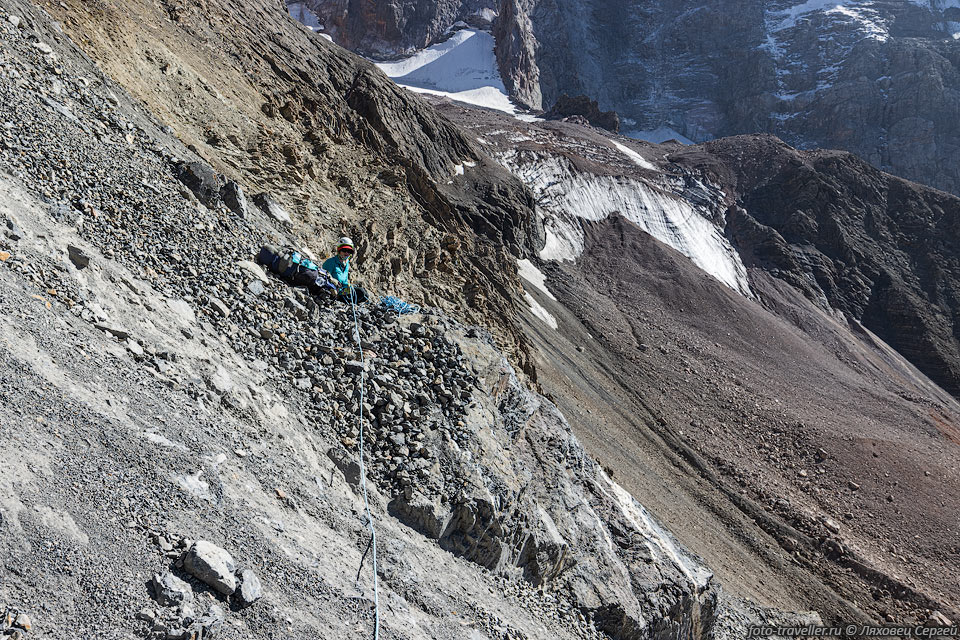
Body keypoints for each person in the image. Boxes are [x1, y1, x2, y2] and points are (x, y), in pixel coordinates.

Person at [322, 236, 369, 304]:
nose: (346, 253)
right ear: (339, 250)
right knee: (361, 292)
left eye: (349, 251)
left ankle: (348, 303)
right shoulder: (330, 262)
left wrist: (348, 285)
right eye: (344, 250)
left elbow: (344, 281)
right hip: (333, 291)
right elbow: (324, 278)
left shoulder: (346, 264)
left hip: (343, 291)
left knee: (365, 295)